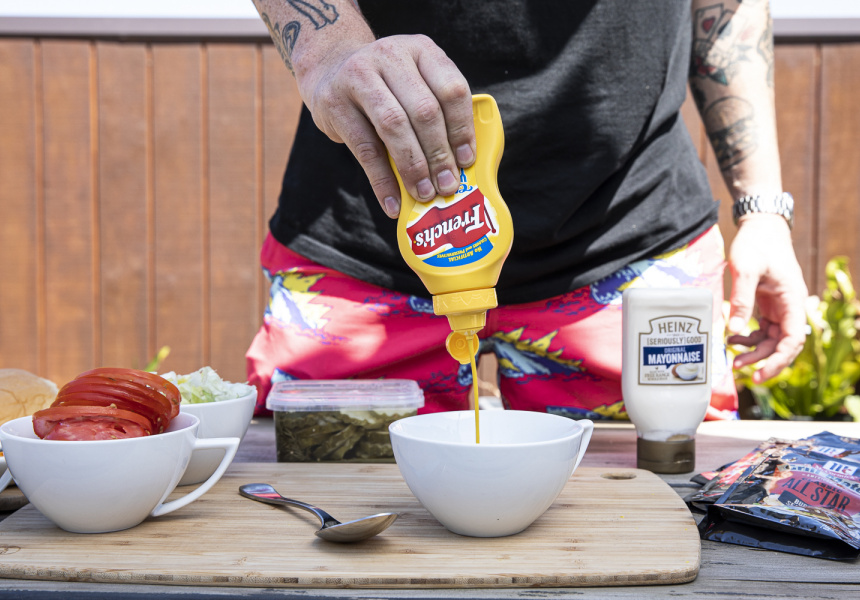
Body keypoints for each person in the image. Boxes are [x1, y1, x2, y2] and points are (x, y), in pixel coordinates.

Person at [246, 0, 808, 421]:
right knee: (319, 513)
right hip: (364, 244)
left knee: (655, 508)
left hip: (628, 246)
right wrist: (328, 47)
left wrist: (761, 208)